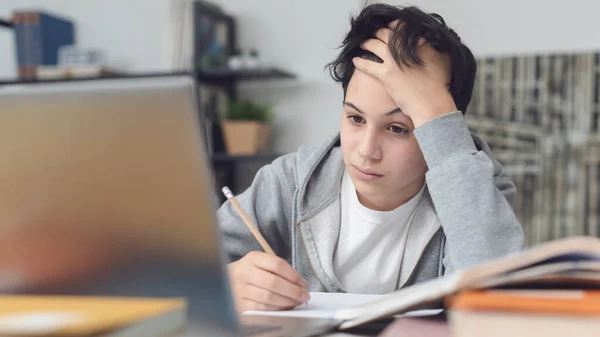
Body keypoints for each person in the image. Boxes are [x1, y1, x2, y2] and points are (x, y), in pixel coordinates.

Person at [217, 4, 524, 313]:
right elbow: (180, 268)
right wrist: (225, 282)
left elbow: (494, 304)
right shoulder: (291, 182)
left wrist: (434, 110)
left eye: (397, 128)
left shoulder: (482, 194)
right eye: (356, 118)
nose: (366, 151)